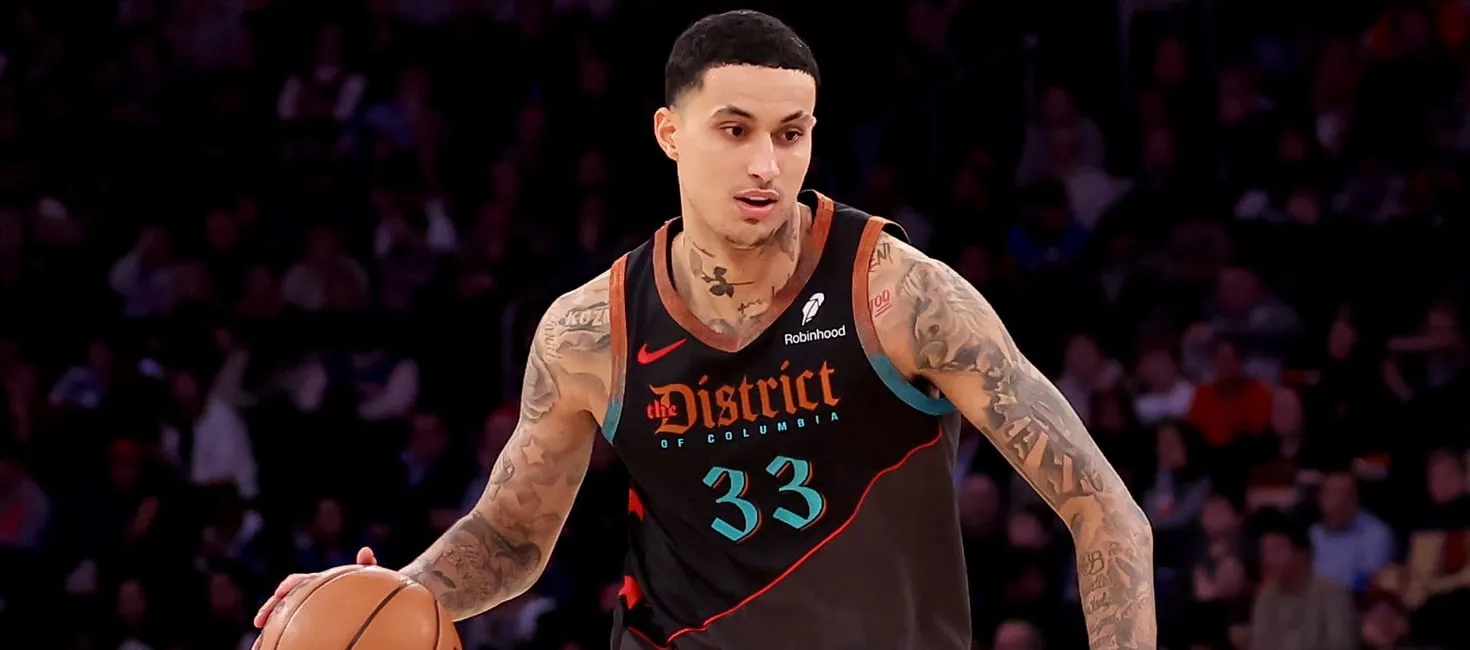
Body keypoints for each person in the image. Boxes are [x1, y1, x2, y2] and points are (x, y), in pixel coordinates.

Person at [252, 10, 1157, 650]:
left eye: (791, 133)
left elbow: (1105, 512)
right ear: (669, 133)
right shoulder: (590, 333)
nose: (767, 164)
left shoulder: (900, 295)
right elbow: (513, 539)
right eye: (734, 129)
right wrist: (389, 594)